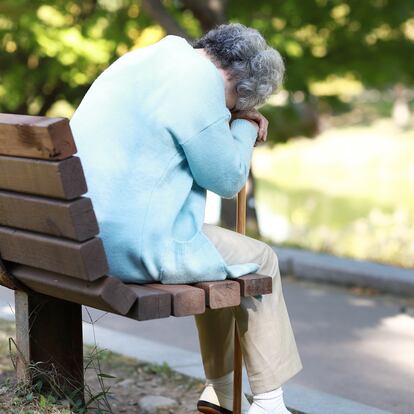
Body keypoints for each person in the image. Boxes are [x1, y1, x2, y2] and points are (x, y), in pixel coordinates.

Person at [70, 23, 302, 414]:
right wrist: (244, 126)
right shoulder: (198, 82)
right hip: (130, 246)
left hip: (76, 235)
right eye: (232, 103)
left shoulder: (144, 58)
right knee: (261, 259)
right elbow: (227, 178)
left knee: (222, 260)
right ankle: (268, 403)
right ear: (234, 80)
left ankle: (224, 391)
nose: (226, 110)